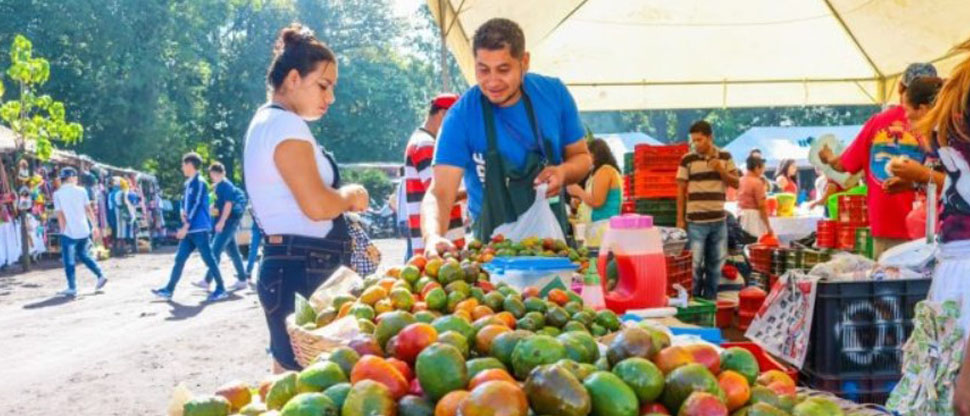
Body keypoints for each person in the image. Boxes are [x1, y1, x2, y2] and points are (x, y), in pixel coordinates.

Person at [244, 24, 367, 372]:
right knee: (315, 379)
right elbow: (317, 206)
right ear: (294, 78)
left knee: (290, 377)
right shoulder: (285, 126)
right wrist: (350, 195)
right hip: (304, 267)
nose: (330, 98)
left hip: (291, 265)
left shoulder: (267, 123)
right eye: (324, 86)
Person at [421, 18, 592, 253]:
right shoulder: (461, 116)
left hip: (552, 248)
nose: (492, 81)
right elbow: (439, 193)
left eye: (503, 69)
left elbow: (582, 157)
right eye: (483, 69)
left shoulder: (554, 94)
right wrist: (432, 236)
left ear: (524, 62)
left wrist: (563, 173)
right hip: (490, 254)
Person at [894, 41, 970, 416]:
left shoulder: (958, 97)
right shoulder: (959, 96)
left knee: (952, 390)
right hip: (957, 259)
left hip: (960, 262)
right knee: (949, 388)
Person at [819, 62, 938, 258]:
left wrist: (829, 157)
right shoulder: (941, 125)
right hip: (932, 226)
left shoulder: (877, 122)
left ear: (900, 87)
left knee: (889, 275)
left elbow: (844, 165)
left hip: (888, 225)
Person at [151, 152, 228, 302]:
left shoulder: (200, 182)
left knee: (208, 259)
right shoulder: (188, 184)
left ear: (190, 165)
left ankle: (221, 288)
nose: (182, 167)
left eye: (183, 164)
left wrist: (186, 226)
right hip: (190, 229)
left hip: (199, 228)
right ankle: (169, 289)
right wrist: (181, 211)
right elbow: (183, 201)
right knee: (180, 258)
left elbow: (197, 204)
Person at [676, 120, 740, 300]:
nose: (696, 144)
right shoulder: (687, 159)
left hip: (719, 221)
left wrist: (720, 170)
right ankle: (694, 303)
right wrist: (680, 220)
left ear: (710, 138)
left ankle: (710, 303)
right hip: (695, 222)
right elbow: (680, 190)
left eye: (699, 140)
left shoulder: (725, 157)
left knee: (715, 267)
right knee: (694, 267)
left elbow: (736, 183)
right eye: (693, 140)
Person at [402, 94, 465, 256]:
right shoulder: (426, 144)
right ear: (443, 114)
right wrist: (476, 189)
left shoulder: (421, 140)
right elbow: (441, 191)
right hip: (441, 244)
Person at [194, 162, 249, 291]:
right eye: (213, 174)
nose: (214, 176)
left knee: (215, 251)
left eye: (216, 174)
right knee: (233, 252)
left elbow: (228, 205)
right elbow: (218, 204)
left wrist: (222, 222)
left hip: (227, 223)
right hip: (225, 222)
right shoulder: (218, 186)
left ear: (223, 173)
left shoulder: (227, 186)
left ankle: (207, 281)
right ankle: (242, 279)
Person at [53, 167, 107, 297]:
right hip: (83, 229)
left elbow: (60, 215)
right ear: (71, 178)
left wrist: (62, 231)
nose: (77, 179)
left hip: (69, 231)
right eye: (75, 177)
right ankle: (100, 275)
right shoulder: (82, 191)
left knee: (69, 260)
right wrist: (95, 226)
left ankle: (72, 287)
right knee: (84, 255)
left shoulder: (57, 194)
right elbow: (88, 209)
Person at [567, 138, 622, 222]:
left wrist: (578, 191)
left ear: (595, 155)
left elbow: (597, 202)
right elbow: (596, 198)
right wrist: (581, 202)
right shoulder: (599, 172)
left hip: (603, 224)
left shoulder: (605, 171)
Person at [737, 155, 773, 238]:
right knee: (756, 242)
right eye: (763, 168)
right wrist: (768, 226)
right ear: (757, 168)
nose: (763, 171)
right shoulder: (757, 183)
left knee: (744, 242)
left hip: (741, 215)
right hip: (754, 218)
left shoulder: (740, 180)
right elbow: (762, 206)